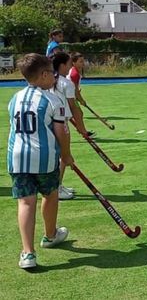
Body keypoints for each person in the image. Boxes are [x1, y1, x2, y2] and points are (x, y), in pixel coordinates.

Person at [8, 53, 73, 269]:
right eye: (52, 74)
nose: (55, 78)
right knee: (51, 194)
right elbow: (61, 132)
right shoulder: (52, 99)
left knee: (25, 202)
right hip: (44, 158)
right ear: (44, 75)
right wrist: (66, 154)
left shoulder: (14, 98)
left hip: (17, 158)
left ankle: (28, 253)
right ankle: (50, 235)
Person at [49, 52, 86, 199]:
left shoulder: (50, 80)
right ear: (62, 65)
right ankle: (56, 188)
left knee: (59, 154)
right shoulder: (66, 83)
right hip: (61, 122)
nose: (70, 67)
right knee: (64, 154)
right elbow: (74, 107)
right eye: (69, 64)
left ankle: (58, 185)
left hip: (51, 120)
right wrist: (82, 128)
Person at [68, 53, 94, 138]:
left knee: (79, 114)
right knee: (78, 114)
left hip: (71, 96)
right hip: (68, 97)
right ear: (74, 62)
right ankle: (83, 132)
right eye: (80, 61)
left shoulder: (75, 71)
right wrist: (81, 100)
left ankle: (82, 130)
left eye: (83, 61)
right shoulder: (74, 74)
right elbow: (75, 90)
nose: (83, 63)